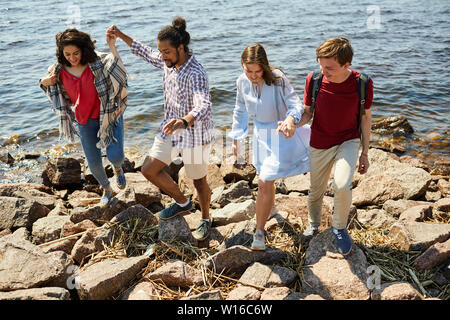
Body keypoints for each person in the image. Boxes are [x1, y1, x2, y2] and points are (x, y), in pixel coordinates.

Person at [108, 17, 215, 241]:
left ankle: (206, 218)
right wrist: (121, 35)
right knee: (148, 169)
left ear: (181, 48)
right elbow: (145, 52)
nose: (162, 55)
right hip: (171, 130)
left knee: (198, 180)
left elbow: (203, 105)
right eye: (161, 51)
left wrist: (185, 120)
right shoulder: (169, 63)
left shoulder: (195, 72)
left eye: (166, 51)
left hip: (195, 134)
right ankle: (183, 202)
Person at [229, 43, 311, 251]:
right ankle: (269, 208)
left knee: (265, 181)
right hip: (260, 135)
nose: (254, 76)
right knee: (265, 180)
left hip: (282, 134)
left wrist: (291, 120)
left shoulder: (277, 79)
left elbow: (296, 104)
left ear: (265, 67)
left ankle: (259, 232)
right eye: (249, 71)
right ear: (242, 66)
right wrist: (237, 139)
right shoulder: (241, 81)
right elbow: (240, 110)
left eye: (258, 71)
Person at [298, 37, 374, 255]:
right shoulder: (314, 80)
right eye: (321, 65)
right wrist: (293, 124)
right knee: (316, 190)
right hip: (320, 141)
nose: (324, 71)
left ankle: (339, 227)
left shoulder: (363, 83)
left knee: (342, 184)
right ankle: (313, 224)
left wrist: (365, 153)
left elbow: (365, 118)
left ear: (346, 65)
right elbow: (307, 113)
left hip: (348, 140)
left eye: (329, 67)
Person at [40, 28, 128, 208]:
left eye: (76, 53)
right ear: (61, 53)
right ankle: (107, 189)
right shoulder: (58, 70)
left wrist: (112, 46)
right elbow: (46, 83)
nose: (72, 57)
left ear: (83, 49)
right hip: (84, 120)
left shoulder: (97, 62)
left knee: (116, 156)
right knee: (94, 164)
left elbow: (119, 69)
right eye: (67, 54)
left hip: (109, 115)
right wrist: (44, 82)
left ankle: (118, 169)